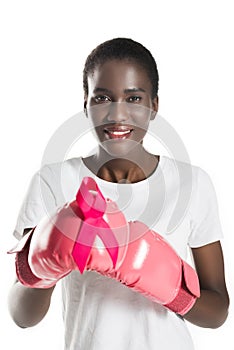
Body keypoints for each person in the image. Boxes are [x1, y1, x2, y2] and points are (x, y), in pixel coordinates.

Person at [8, 38, 229, 350]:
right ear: (85, 102)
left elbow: (218, 310)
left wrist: (169, 289)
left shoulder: (191, 183)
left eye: (134, 98)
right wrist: (44, 264)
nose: (117, 115)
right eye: (102, 98)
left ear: (154, 105)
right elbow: (22, 316)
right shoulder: (54, 181)